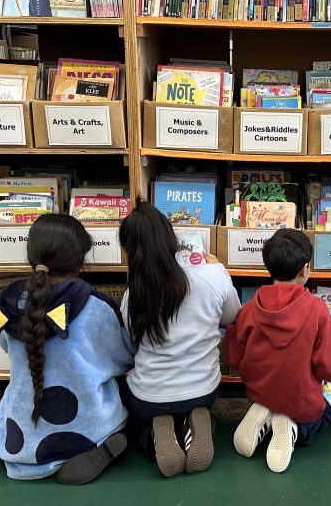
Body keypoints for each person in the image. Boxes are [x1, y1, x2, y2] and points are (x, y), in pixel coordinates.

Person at [0, 214, 134, 484]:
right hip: (87, 426)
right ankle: (98, 445)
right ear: (80, 262)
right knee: (128, 394)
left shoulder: (6, 304)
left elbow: (8, 348)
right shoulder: (95, 306)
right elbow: (123, 358)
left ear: (31, 256)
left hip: (18, 440)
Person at [119, 199, 241, 478]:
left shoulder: (132, 295)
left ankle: (153, 436)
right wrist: (220, 268)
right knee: (195, 405)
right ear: (171, 238)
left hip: (149, 396)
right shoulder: (211, 276)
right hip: (203, 390)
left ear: (130, 252)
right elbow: (232, 316)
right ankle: (198, 423)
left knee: (127, 402)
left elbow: (129, 347)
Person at [226, 229, 331, 473]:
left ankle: (267, 410)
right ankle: (295, 428)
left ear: (268, 267)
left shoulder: (248, 310)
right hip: (301, 399)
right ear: (305, 270)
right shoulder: (317, 310)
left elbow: (235, 358)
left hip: (261, 389)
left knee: (275, 391)